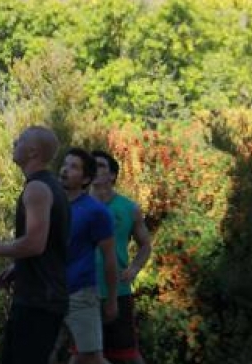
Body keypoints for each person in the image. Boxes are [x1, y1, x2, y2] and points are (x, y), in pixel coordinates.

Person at [0, 126, 70, 364]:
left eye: (22, 139)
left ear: (33, 152)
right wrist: (18, 267)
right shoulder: (50, 187)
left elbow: (35, 244)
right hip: (44, 297)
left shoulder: (37, 189)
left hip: (39, 300)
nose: (15, 141)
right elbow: (50, 244)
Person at [91, 151, 152, 364]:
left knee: (128, 356)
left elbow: (145, 244)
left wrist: (135, 268)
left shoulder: (129, 208)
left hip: (118, 292)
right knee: (83, 355)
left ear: (113, 176)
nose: (93, 169)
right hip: (83, 292)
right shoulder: (75, 206)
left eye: (100, 165)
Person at [59, 148, 118, 364]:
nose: (65, 170)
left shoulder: (96, 212)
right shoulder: (52, 204)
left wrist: (111, 300)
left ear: (86, 179)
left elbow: (109, 258)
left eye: (73, 167)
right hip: (49, 291)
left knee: (91, 357)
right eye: (65, 164)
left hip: (81, 293)